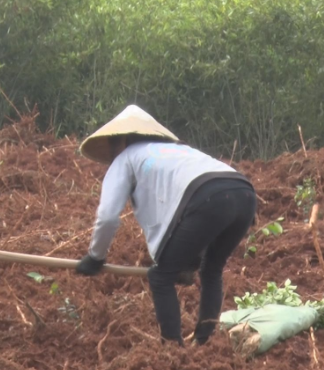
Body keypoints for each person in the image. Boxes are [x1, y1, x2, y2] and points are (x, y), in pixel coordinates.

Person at [76, 105, 256, 346]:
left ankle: (172, 350)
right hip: (243, 193)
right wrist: (186, 260)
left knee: (160, 277)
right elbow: (182, 214)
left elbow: (108, 216)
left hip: (208, 198)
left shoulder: (126, 159)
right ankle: (205, 344)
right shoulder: (177, 151)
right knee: (211, 269)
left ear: (121, 141)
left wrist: (95, 257)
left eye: (112, 145)